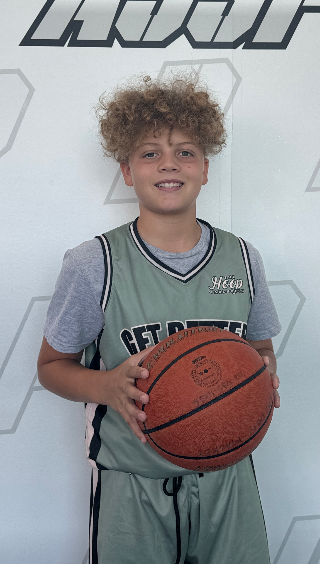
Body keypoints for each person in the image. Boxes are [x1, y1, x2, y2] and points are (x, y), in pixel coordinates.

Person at [37, 74, 282, 564]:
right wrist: (108, 386)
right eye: (150, 153)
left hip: (228, 479)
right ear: (127, 171)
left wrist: (258, 380)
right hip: (133, 486)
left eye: (185, 152)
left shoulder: (242, 257)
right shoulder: (94, 263)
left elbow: (260, 349)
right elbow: (51, 367)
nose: (169, 163)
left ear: (205, 169)